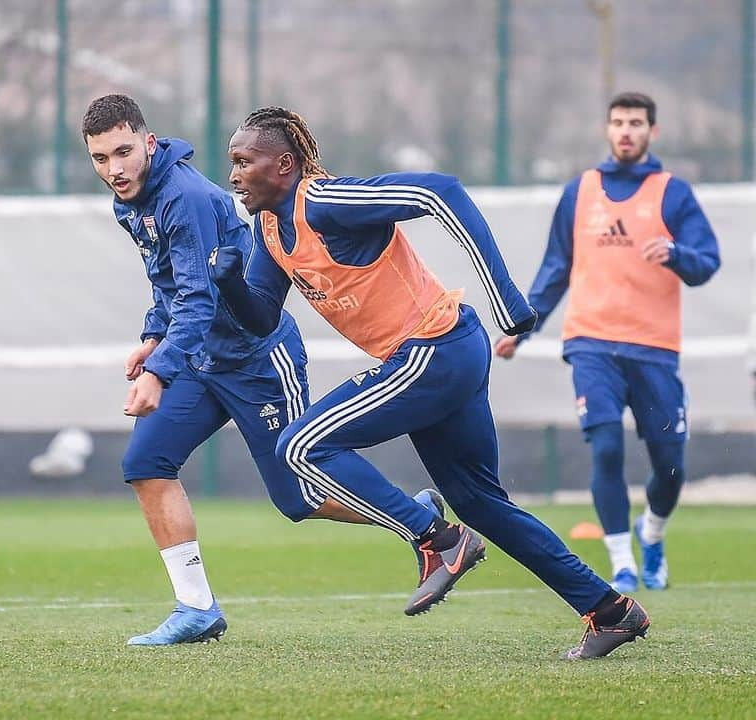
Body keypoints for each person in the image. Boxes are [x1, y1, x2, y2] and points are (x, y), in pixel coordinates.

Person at [215, 105, 649, 659]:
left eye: (242, 161)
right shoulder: (270, 226)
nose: (233, 174)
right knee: (483, 503)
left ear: (283, 165)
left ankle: (437, 539)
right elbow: (260, 316)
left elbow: (440, 191)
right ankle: (610, 609)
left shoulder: (326, 201)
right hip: (444, 355)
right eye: (231, 162)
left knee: (301, 446)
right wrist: (230, 282)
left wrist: (506, 298)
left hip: (434, 351)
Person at [82, 95, 443, 646]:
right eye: (102, 159)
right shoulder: (130, 203)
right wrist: (153, 337)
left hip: (257, 361)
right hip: (201, 360)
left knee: (298, 497)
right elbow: (169, 286)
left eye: (124, 152)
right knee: (146, 462)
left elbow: (201, 298)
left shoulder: (188, 199)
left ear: (149, 143)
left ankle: (418, 520)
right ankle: (196, 608)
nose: (115, 169)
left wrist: (159, 369)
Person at [495, 92, 720, 594]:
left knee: (670, 461)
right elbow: (555, 270)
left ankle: (652, 533)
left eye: (635, 123)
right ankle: (621, 561)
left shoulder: (672, 194)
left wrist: (678, 254)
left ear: (651, 132)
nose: (625, 131)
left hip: (653, 349)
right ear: (607, 129)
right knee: (606, 446)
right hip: (591, 343)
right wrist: (520, 328)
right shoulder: (581, 192)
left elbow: (706, 263)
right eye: (618, 121)